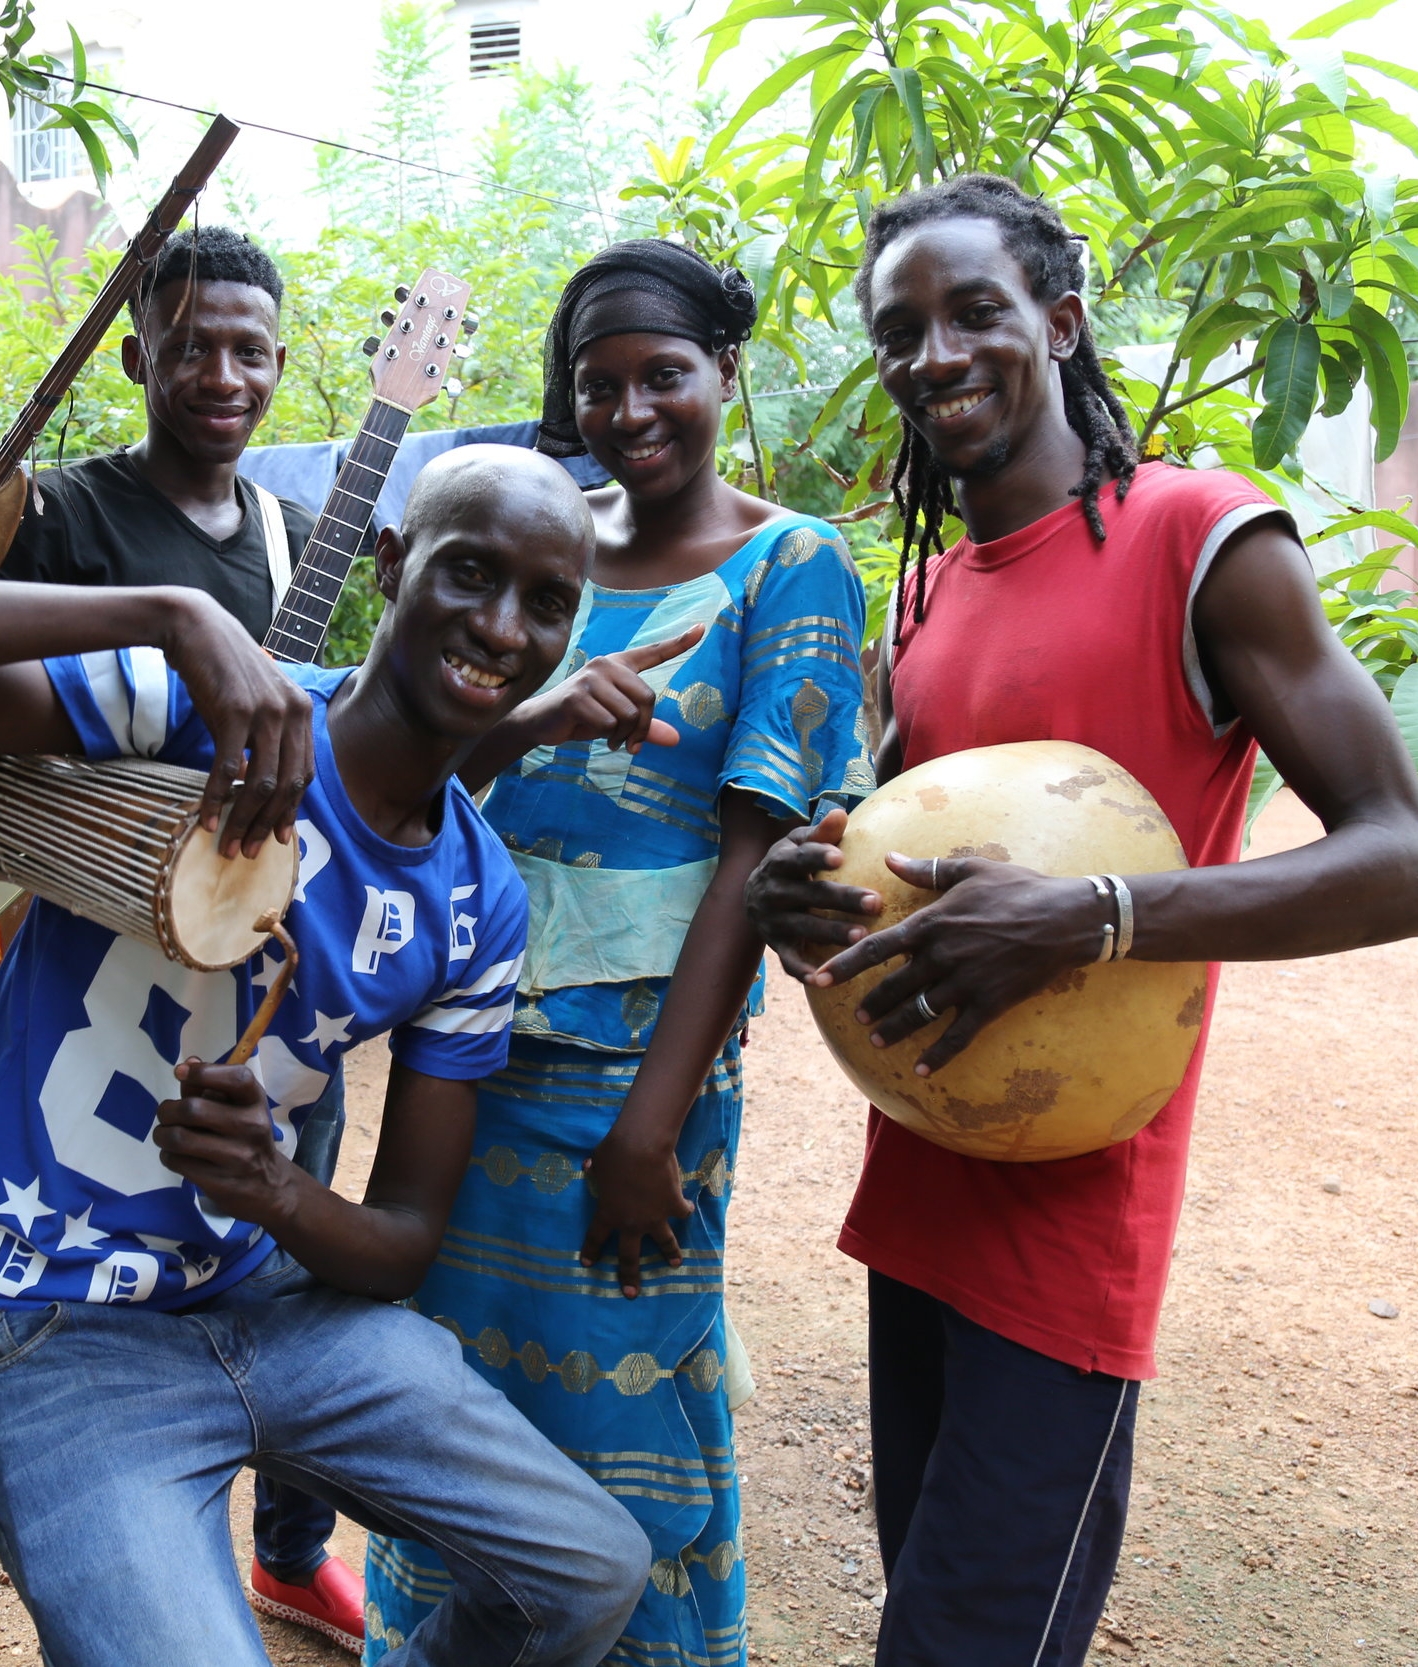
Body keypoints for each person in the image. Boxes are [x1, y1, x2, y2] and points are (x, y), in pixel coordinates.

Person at [0, 445, 661, 1667]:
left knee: (590, 1567)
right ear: (390, 562)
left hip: (249, 1300)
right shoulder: (211, 706)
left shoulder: (478, 899)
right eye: (469, 571)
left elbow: (406, 1237)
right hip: (31, 1309)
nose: (502, 626)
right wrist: (168, 608)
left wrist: (276, 1191)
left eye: (546, 602)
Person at [742, 175, 1418, 1665]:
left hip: (1069, 1238)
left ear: (1057, 322)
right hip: (915, 1191)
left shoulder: (1198, 534)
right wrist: (798, 900)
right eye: (898, 330)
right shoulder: (924, 596)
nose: (931, 352)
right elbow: (912, 880)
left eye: (972, 311)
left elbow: (1405, 861)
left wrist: (1100, 914)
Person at [359, 241, 873, 1667]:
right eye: (596, 386)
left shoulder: (793, 563)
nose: (629, 410)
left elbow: (752, 854)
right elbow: (408, 763)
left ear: (725, 374)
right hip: (458, 1057)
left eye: (662, 376)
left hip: (626, 1084)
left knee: (621, 1417)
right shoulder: (538, 533)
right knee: (448, 1409)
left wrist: (649, 1125)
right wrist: (529, 718)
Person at [0, 220, 359, 1646]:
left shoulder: (277, 527)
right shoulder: (64, 516)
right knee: (129, 1253)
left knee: (288, 1245)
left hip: (270, 973)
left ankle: (289, 1540)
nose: (222, 372)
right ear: (137, 353)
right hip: (110, 959)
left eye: (250, 349)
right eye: (193, 344)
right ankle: (144, 1557)